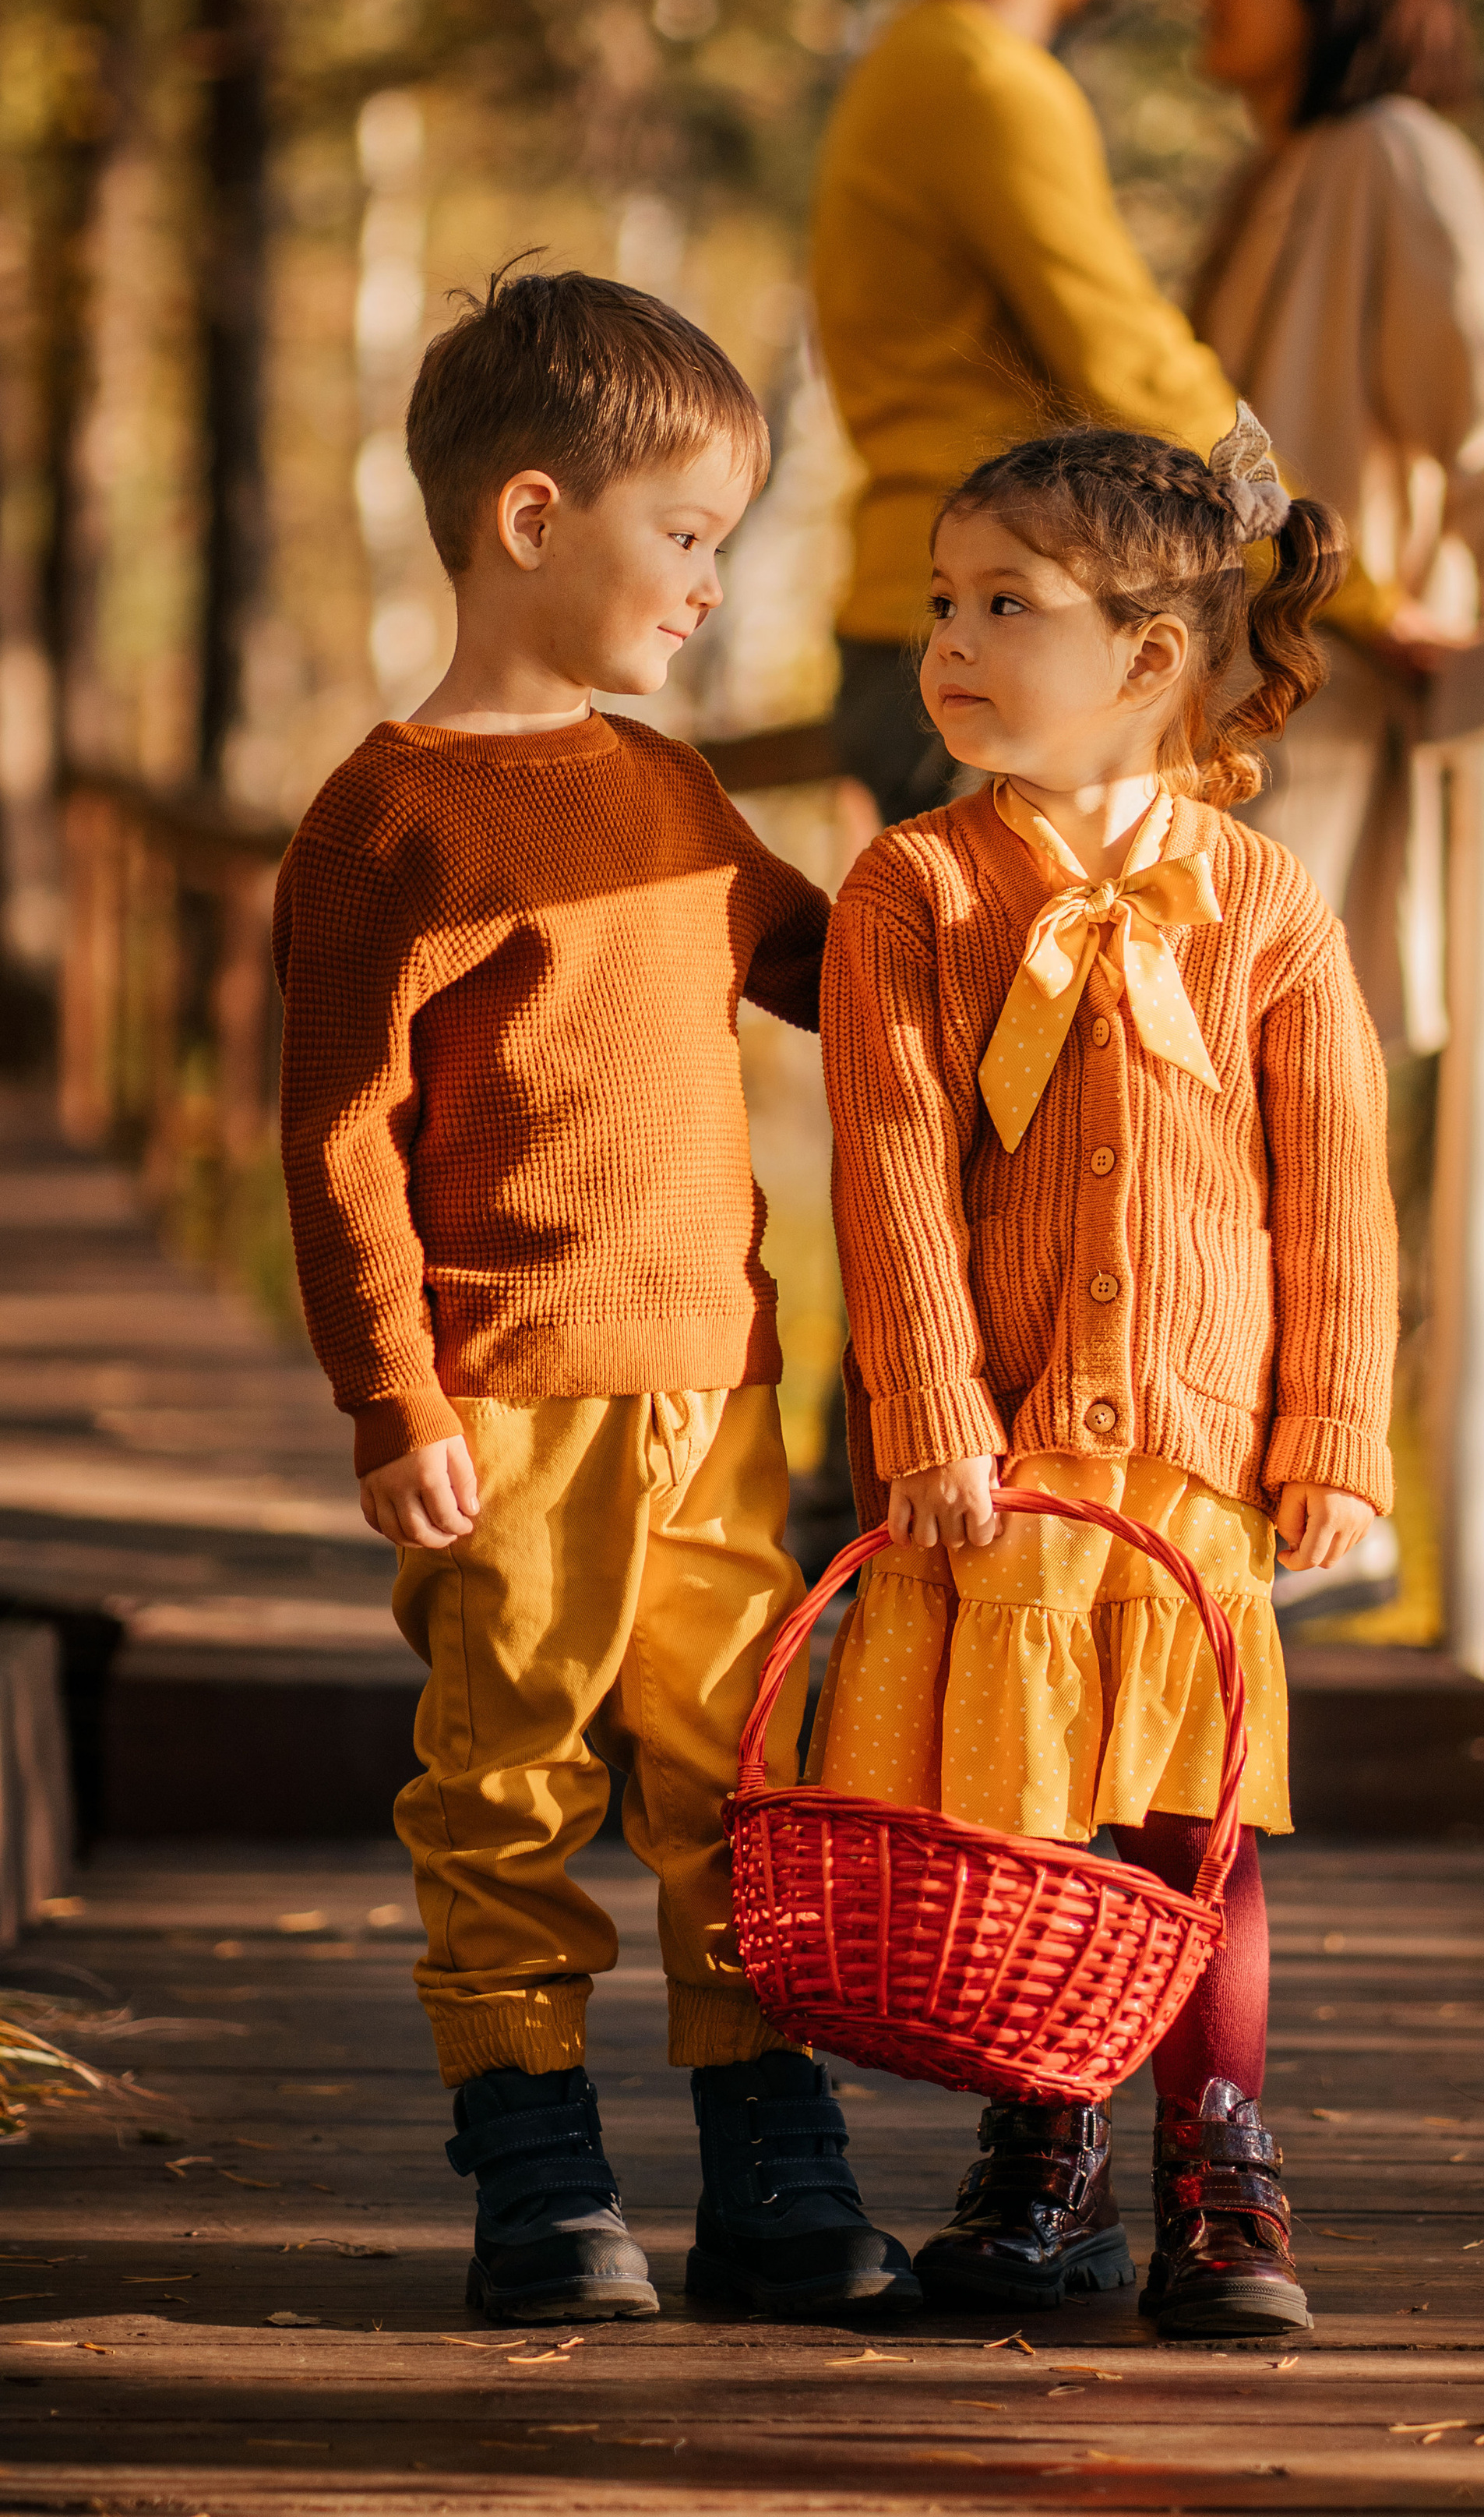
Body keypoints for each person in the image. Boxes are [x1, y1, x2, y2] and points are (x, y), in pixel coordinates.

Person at [272, 270, 915, 2328]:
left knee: (738, 1770)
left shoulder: (666, 789)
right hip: (511, 1398)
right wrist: (395, 1401)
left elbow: (830, 966)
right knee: (510, 1775)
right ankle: (536, 2167)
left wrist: (1014, 905)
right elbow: (341, 1141)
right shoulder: (386, 824)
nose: (714, 582)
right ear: (533, 519)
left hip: (716, 1378)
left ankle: (770, 2158)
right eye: (690, 533)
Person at [809, 409, 1398, 2335]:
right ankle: (1041, 2147)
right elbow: (888, 1169)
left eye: (1006, 605)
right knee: (1021, 1822)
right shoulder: (914, 890)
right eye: (940, 603)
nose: (949, 642)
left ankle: (1219, 2166)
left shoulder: (1263, 906)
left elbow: (1333, 1193)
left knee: (1191, 1830)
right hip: (992, 1462)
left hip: (1194, 1470)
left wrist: (1332, 1431)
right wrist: (925, 1412)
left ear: (1146, 656)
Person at [811, 0, 1405, 840]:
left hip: (913, 607)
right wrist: (1334, 572)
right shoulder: (988, 82)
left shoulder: (897, 70)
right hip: (1002, 621)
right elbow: (1131, 364)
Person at [1193, 0, 1484, 1053]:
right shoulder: (1272, 177)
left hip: (1322, 716)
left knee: (1276, 1078)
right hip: (1217, 718)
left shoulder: (1396, 154)